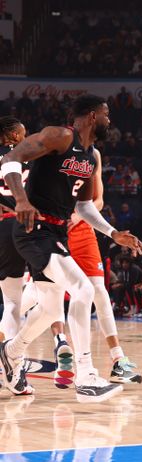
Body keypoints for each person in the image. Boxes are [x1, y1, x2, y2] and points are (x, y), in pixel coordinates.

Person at [0, 94, 142, 400]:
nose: (109, 120)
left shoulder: (91, 156)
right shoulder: (60, 136)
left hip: (56, 232)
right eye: (106, 115)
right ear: (92, 116)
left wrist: (113, 232)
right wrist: (22, 200)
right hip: (34, 229)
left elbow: (86, 206)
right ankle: (86, 375)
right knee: (84, 289)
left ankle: (12, 352)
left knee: (49, 308)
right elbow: (9, 159)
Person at [50, 144, 142, 387]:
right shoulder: (54, 147)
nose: (108, 120)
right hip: (54, 227)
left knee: (99, 292)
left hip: (83, 230)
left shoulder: (94, 154)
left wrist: (79, 216)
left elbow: (98, 200)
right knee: (51, 293)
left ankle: (118, 360)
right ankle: (61, 350)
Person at [0, 117, 29, 347]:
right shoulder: (28, 158)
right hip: (18, 226)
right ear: (15, 136)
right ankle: (8, 363)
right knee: (12, 303)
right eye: (24, 133)